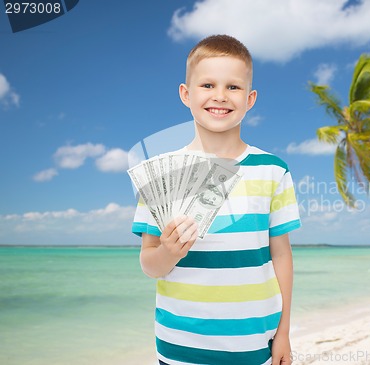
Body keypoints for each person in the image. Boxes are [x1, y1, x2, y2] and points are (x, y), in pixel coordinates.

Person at [131, 34, 301, 365]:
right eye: (207, 85)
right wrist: (167, 252)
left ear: (250, 98)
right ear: (186, 94)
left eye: (233, 87)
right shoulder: (160, 175)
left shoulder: (272, 171)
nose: (220, 96)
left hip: (254, 344)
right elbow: (149, 264)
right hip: (179, 345)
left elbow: (281, 255)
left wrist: (283, 333)